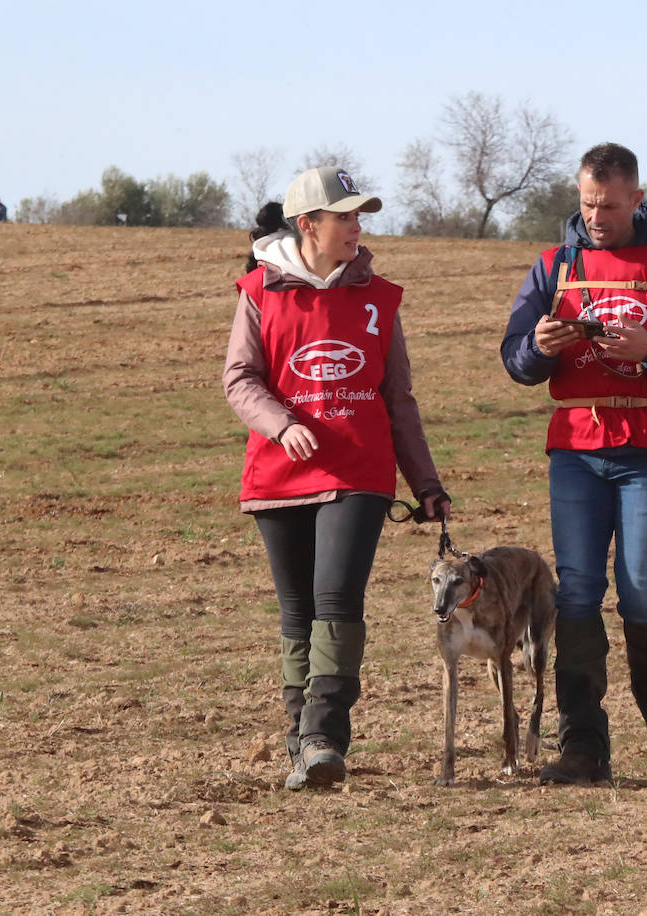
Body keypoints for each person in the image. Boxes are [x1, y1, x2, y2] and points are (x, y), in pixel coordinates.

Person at [501, 143, 647, 784]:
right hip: (576, 449)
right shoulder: (555, 266)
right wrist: (539, 348)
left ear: (637, 199)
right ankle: (583, 745)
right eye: (587, 203)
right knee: (576, 594)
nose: (596, 216)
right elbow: (515, 358)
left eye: (609, 204)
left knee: (643, 594)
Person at [224, 166, 450, 790]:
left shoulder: (380, 297)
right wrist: (279, 423)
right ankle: (300, 742)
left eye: (359, 217)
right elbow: (240, 380)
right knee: (297, 612)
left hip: (358, 470)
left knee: (336, 600)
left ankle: (325, 733)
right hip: (279, 473)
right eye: (344, 217)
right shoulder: (258, 293)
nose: (357, 227)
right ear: (308, 226)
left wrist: (425, 483)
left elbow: (398, 398)